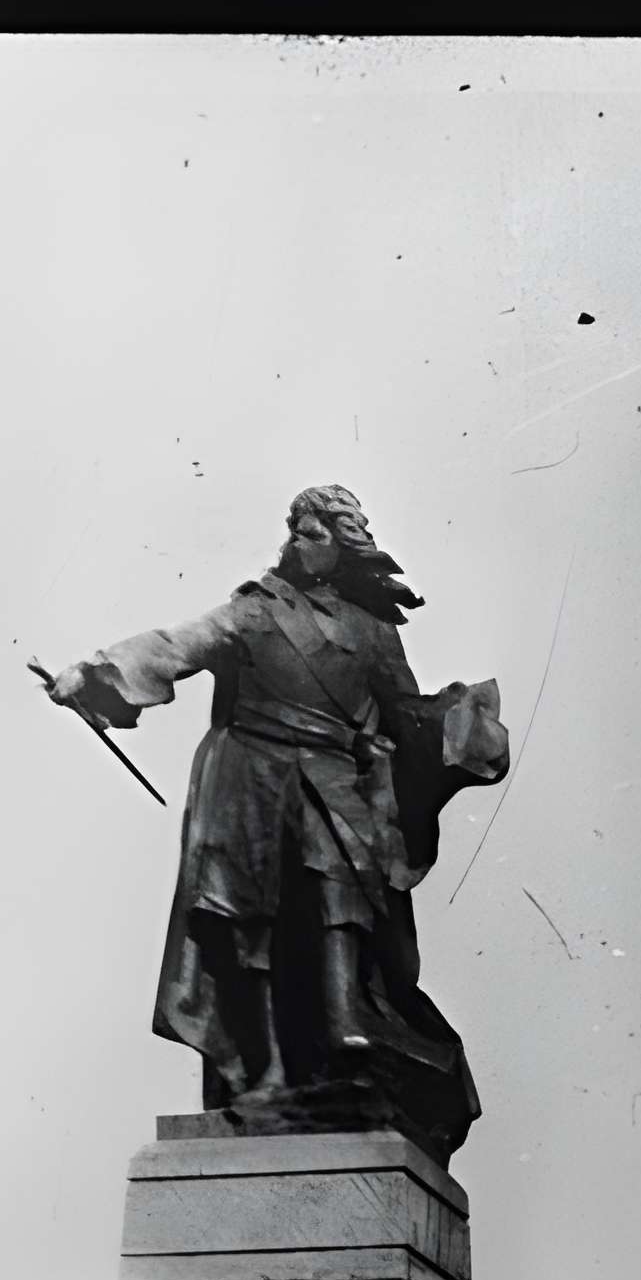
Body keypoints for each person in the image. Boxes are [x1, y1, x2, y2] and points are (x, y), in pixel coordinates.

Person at [48, 485, 508, 1159]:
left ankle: (349, 1022)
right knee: (249, 928)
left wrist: (454, 732)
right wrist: (92, 676)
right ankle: (262, 1074)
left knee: (341, 888)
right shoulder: (254, 611)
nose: (296, 542)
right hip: (251, 779)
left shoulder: (372, 629)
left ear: (343, 545)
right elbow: (178, 644)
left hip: (333, 779)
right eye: (294, 530)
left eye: (313, 532)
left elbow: (406, 712)